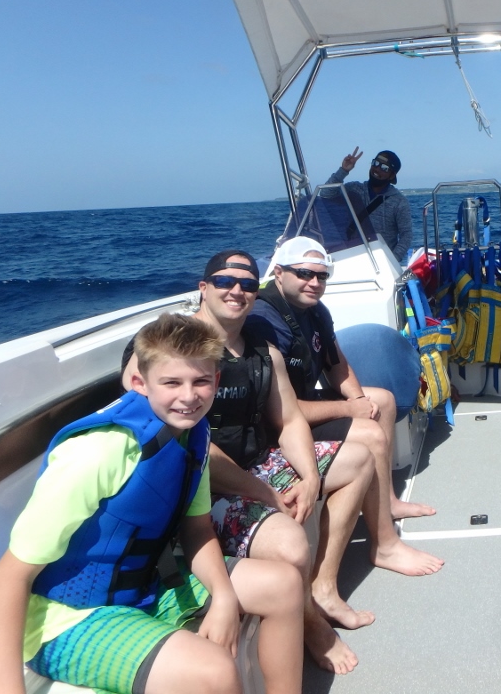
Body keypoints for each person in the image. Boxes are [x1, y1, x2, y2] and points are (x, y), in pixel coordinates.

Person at [0, 313, 304, 694]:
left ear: (217, 381)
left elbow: (197, 530)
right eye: (172, 382)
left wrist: (223, 596)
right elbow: (9, 577)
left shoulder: (194, 434)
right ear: (140, 382)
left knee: (284, 584)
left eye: (201, 381)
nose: (189, 396)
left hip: (145, 585)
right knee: (214, 671)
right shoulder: (98, 452)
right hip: (67, 620)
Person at [120, 251, 374, 675]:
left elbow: (289, 419)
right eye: (225, 281)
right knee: (290, 544)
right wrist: (266, 494)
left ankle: (324, 587)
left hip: (257, 466)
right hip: (203, 491)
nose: (237, 290)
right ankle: (311, 623)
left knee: (359, 459)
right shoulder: (169, 346)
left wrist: (310, 477)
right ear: (204, 288)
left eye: (248, 284)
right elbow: (194, 446)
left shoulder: (262, 349)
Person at [246, 235, 444, 578]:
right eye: (304, 273)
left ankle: (386, 503)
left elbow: (337, 366)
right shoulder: (264, 321)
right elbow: (282, 413)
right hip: (276, 425)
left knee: (381, 400)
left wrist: (358, 400)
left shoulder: (315, 310)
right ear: (278, 272)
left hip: (302, 407)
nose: (314, 282)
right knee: (370, 434)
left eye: (321, 276)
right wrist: (349, 411)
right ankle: (384, 545)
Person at [328, 147, 412, 262]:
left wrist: (392, 261)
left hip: (380, 262)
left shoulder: (399, 202)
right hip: (350, 258)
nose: (377, 169)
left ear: (392, 175)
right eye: (375, 163)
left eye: (384, 168)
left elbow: (406, 235)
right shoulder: (353, 189)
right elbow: (326, 194)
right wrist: (343, 170)